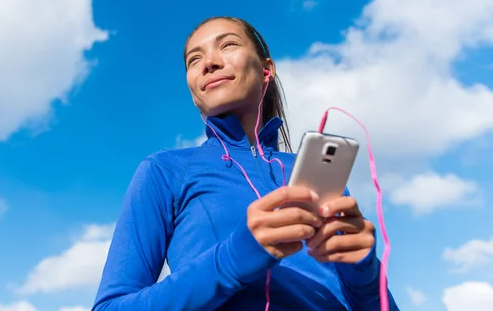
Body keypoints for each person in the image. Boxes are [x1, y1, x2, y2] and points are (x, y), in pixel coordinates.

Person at [92, 16, 399, 311]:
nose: (208, 63)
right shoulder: (163, 171)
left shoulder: (317, 176)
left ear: (267, 69)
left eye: (227, 45)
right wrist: (231, 261)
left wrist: (366, 272)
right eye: (194, 60)